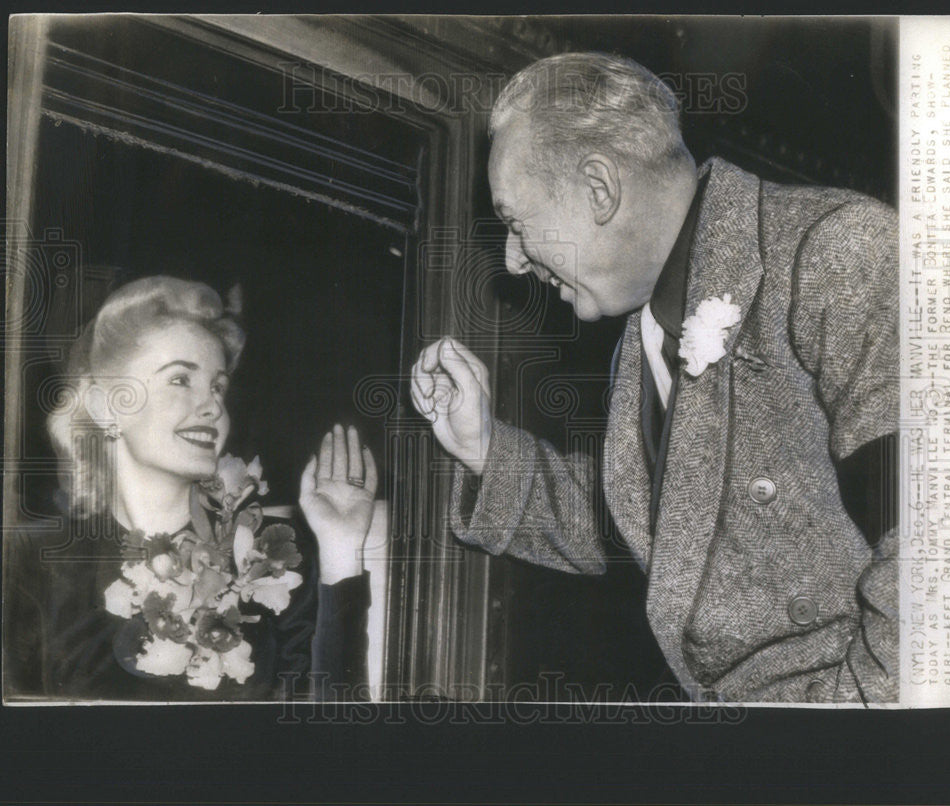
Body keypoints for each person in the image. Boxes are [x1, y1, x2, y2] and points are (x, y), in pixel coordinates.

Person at [411, 53, 899, 703]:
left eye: (515, 222)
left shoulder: (838, 249)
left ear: (599, 189)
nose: (514, 260)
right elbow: (657, 525)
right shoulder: (641, 343)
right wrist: (483, 448)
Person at [3, 276, 376, 702]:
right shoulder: (28, 567)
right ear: (107, 407)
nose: (212, 405)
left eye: (218, 386)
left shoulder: (273, 565)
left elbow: (336, 743)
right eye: (180, 379)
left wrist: (342, 548)